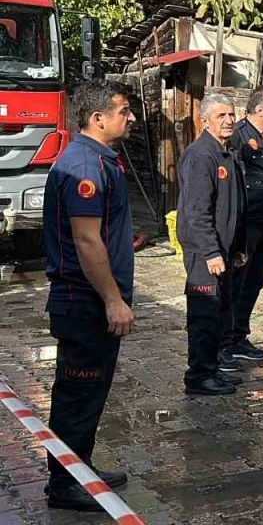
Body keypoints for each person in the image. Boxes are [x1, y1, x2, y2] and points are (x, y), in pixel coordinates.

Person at [41, 80, 136, 511]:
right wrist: (114, 300)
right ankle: (64, 485)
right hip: (83, 303)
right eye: (123, 111)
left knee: (91, 394)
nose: (130, 117)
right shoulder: (82, 165)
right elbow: (86, 241)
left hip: (92, 300)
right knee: (76, 396)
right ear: (98, 119)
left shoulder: (101, 160)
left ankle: (80, 466)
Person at [178, 93, 246, 396]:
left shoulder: (227, 152)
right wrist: (211, 251)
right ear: (204, 121)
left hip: (225, 249)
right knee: (204, 313)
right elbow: (197, 210)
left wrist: (237, 246)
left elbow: (234, 205)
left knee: (220, 311)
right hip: (204, 252)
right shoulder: (201, 155)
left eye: (231, 114)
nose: (229, 120)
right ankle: (199, 377)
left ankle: (212, 368)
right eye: (221, 116)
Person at [222, 85, 263, 365]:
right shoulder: (237, 136)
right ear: (260, 109)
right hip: (244, 225)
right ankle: (223, 342)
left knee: (254, 282)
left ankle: (239, 337)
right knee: (235, 283)